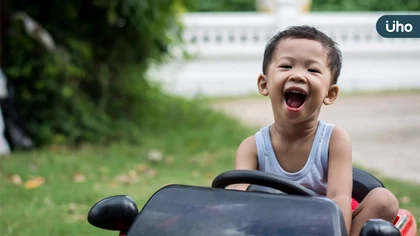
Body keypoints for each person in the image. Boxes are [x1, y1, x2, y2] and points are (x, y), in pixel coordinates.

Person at [227, 25, 399, 236]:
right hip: (271, 228)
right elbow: (236, 202)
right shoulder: (252, 147)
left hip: (324, 228)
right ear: (264, 84)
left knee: (384, 200)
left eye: (312, 70)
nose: (298, 75)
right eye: (287, 66)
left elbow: (339, 199)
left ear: (330, 93)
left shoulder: (335, 140)